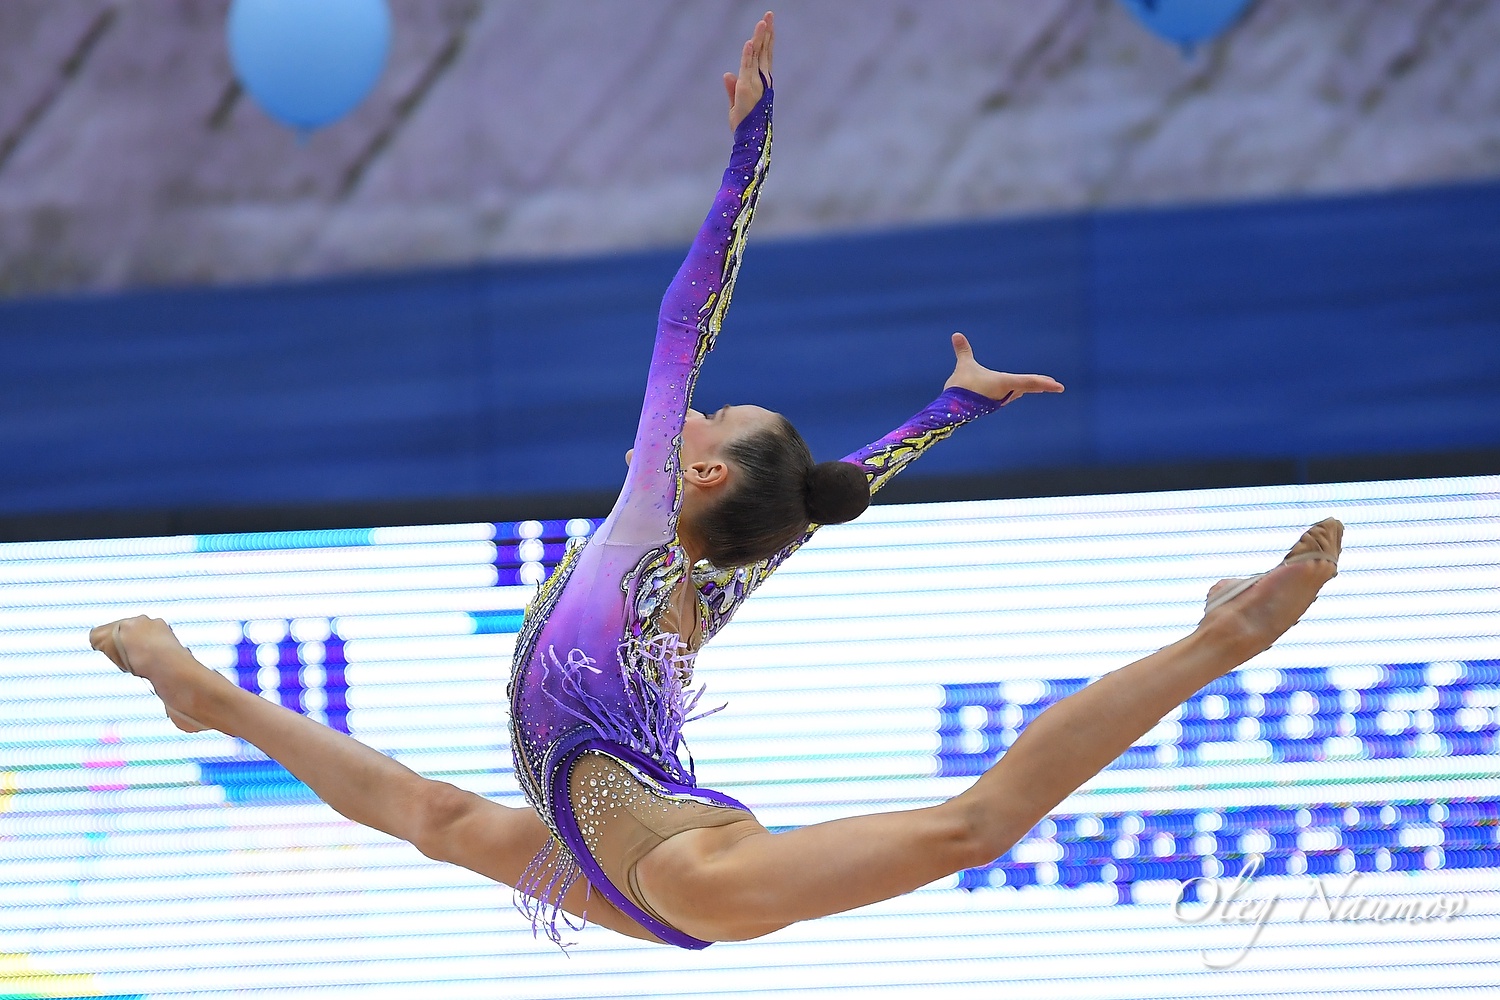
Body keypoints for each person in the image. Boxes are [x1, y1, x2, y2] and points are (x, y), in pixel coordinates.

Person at [90, 10, 1342, 952]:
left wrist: (751, 143)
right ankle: (197, 686)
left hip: (675, 862)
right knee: (432, 816)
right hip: (633, 841)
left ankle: (1226, 633)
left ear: (693, 469)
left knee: (972, 827)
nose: (693, 402)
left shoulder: (650, 524)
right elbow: (839, 488)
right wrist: (953, 406)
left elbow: (689, 316)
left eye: (711, 416)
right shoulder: (713, 568)